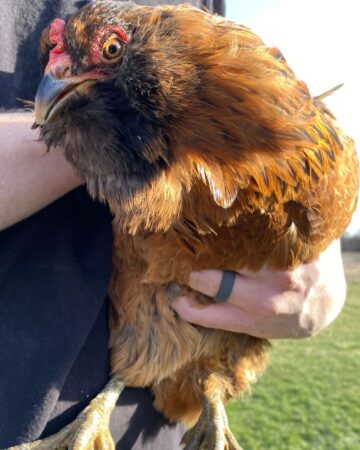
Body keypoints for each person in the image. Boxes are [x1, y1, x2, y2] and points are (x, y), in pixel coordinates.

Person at [0, 0, 346, 448]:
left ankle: (212, 397)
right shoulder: (151, 181)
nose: (60, 73)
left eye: (108, 49)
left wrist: (326, 265)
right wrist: (144, 142)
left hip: (155, 433)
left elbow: (254, 103)